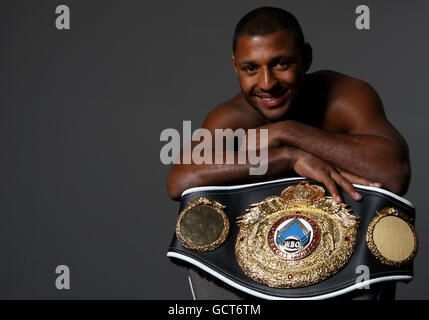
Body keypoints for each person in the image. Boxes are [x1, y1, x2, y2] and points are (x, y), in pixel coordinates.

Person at [167, 7, 411, 300]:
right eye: (250, 68)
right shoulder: (231, 117)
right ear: (235, 66)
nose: (268, 83)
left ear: (306, 57)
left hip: (345, 276)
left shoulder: (346, 96)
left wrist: (289, 131)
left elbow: (394, 174)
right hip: (257, 281)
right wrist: (289, 158)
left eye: (281, 63)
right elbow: (180, 179)